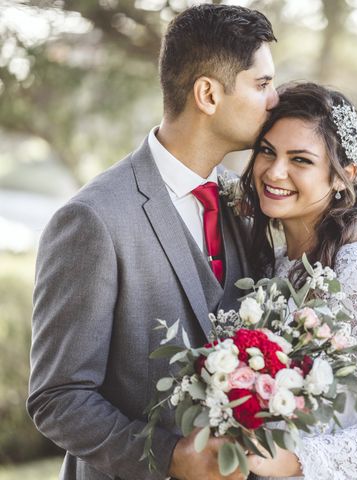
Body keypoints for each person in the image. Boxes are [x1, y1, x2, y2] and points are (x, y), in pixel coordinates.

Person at [27, 5, 278, 480]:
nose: (274, 99)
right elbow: (57, 397)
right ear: (207, 93)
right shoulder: (93, 220)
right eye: (262, 84)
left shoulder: (245, 207)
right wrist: (168, 457)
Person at [239, 82, 357, 479]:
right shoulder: (277, 263)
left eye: (300, 160)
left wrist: (293, 459)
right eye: (267, 151)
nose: (275, 171)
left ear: (344, 176)